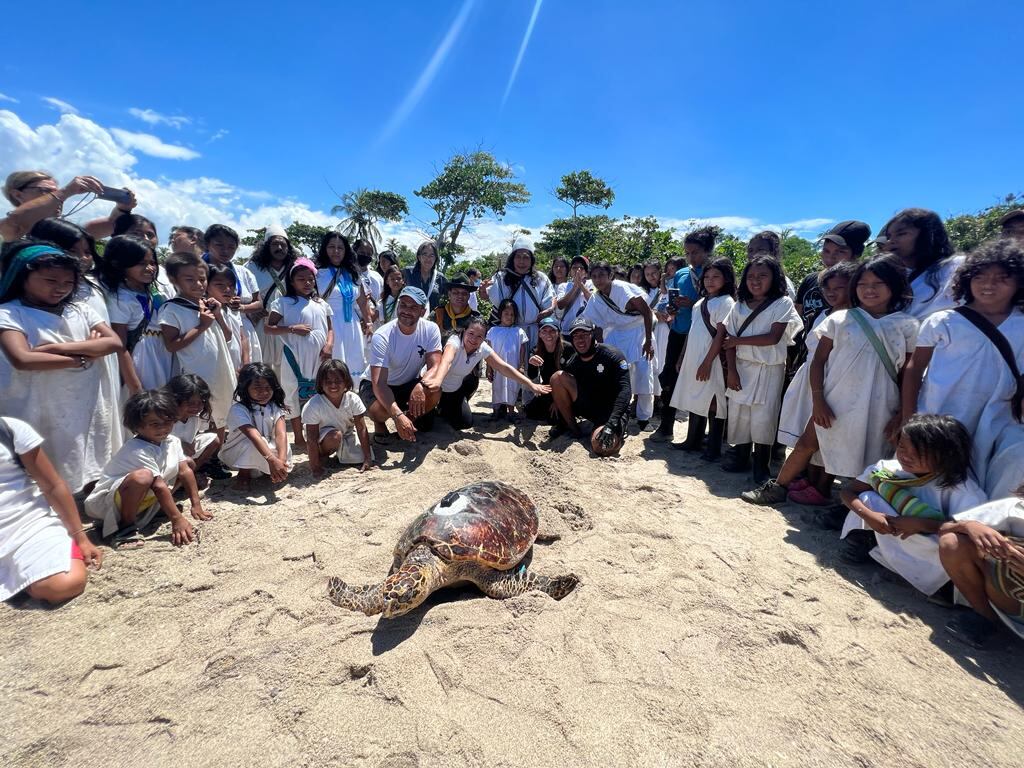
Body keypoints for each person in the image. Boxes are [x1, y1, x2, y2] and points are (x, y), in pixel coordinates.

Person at [745, 258, 917, 505]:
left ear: (895, 286)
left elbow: (907, 374)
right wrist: (818, 401)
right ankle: (777, 487)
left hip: (879, 405)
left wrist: (902, 413)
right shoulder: (840, 320)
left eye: (878, 283)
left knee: (871, 454)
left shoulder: (907, 326)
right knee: (806, 444)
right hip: (834, 401)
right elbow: (818, 362)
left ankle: (854, 507)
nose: (869, 289)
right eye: (863, 283)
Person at [901, 237, 1024, 500]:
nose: (988, 284)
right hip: (937, 416)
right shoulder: (943, 321)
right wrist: (908, 417)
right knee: (925, 481)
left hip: (996, 421)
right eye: (980, 276)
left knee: (982, 483)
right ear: (967, 278)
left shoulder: (1022, 325)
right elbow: (914, 369)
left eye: (1002, 277)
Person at [0, 241, 122, 494]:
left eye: (68, 283)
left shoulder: (81, 310)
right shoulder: (9, 313)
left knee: (81, 451)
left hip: (82, 399)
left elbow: (113, 342)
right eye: (50, 281)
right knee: (41, 458)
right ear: (23, 276)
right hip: (36, 401)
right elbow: (23, 359)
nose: (60, 289)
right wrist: (84, 355)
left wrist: (58, 349)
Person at [837, 414, 986, 590]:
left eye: (918, 453)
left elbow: (969, 531)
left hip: (927, 543)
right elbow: (849, 491)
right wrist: (869, 516)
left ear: (946, 455)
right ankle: (862, 541)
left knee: (952, 544)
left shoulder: (962, 489)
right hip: (888, 530)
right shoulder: (888, 470)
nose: (906, 456)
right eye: (902, 448)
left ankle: (940, 586)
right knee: (867, 498)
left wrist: (923, 524)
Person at [765, 261, 858, 506]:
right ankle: (810, 479)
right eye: (828, 288)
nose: (832, 293)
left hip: (834, 383)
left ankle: (821, 486)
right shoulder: (823, 315)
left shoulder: (853, 319)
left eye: (840, 288)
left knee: (825, 435)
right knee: (811, 432)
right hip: (812, 379)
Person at [28, 218, 124, 454]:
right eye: (73, 251)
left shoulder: (91, 285)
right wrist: (83, 350)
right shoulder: (43, 297)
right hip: (60, 374)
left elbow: (111, 340)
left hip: (99, 365)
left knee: (100, 427)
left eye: (87, 251)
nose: (83, 257)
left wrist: (88, 350)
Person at [85, 389, 208, 546]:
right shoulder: (136, 449)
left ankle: (154, 510)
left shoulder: (172, 441)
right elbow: (158, 486)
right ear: (137, 425)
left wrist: (196, 505)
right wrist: (177, 519)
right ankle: (125, 528)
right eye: (155, 424)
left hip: (143, 498)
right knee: (143, 477)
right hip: (109, 505)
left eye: (168, 422)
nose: (162, 428)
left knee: (188, 463)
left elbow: (185, 470)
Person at [0, 415, 102, 604]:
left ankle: (27, 576)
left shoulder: (9, 429)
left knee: (67, 582)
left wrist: (80, 537)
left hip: (26, 524)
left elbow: (52, 485)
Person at [722, 257, 802, 481]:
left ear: (774, 278)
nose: (755, 281)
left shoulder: (782, 304)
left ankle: (761, 465)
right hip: (741, 366)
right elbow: (728, 340)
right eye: (751, 277)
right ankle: (741, 456)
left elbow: (773, 338)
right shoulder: (738, 306)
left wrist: (738, 342)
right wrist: (731, 371)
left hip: (769, 369)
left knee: (764, 416)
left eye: (762, 276)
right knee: (740, 413)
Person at [666, 258, 737, 459]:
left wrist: (707, 362)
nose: (710, 280)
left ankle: (713, 448)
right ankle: (692, 440)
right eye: (707, 276)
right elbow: (691, 331)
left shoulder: (726, 302)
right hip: (694, 356)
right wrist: (682, 357)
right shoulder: (700, 303)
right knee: (695, 397)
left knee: (714, 402)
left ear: (726, 279)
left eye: (716, 276)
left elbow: (721, 335)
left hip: (712, 359)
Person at [157, 252, 238, 431]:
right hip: (196, 374)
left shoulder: (209, 306)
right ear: (174, 280)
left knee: (221, 410)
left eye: (202, 279)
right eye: (190, 279)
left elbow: (227, 336)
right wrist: (202, 326)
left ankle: (217, 453)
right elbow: (171, 345)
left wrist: (217, 316)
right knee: (200, 415)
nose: (198, 284)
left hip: (220, 369)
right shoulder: (172, 309)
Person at [422, 317, 550, 429]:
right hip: (433, 386)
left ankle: (444, 408)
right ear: (464, 331)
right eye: (471, 333)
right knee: (425, 425)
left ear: (484, 338)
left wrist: (530, 384)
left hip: (453, 391)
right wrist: (437, 382)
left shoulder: (482, 347)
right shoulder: (454, 341)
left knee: (464, 423)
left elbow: (503, 367)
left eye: (479, 336)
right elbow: (446, 362)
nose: (474, 339)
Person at [938, 485, 1024, 648]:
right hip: (1008, 599)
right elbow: (944, 530)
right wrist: (969, 526)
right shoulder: (1014, 508)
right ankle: (985, 617)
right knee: (952, 543)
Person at [653, 227, 716, 440]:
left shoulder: (714, 273)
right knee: (669, 377)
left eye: (696, 252)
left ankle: (696, 435)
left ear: (708, 251)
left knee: (699, 382)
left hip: (702, 337)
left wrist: (694, 303)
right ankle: (666, 425)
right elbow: (669, 304)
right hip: (679, 332)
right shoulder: (680, 274)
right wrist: (671, 309)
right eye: (687, 253)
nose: (691, 257)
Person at [266, 258, 334, 450]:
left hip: (320, 356)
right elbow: (269, 328)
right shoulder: (283, 302)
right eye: (301, 279)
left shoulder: (321, 303)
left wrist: (329, 345)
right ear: (292, 282)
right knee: (291, 392)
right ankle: (297, 435)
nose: (307, 283)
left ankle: (319, 429)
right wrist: (292, 328)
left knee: (321, 390)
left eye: (310, 279)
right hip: (293, 357)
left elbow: (330, 328)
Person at [361, 287, 443, 443]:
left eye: (413, 307)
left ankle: (408, 420)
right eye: (403, 305)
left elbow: (435, 366)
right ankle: (382, 422)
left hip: (408, 383)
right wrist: (397, 415)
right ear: (398, 306)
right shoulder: (382, 336)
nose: (407, 310)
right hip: (376, 384)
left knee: (435, 390)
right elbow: (379, 384)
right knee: (382, 412)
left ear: (422, 311)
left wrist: (422, 385)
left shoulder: (431, 329)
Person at [579, 261, 656, 427]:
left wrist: (649, 341)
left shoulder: (621, 288)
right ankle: (616, 411)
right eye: (594, 276)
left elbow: (647, 312)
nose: (598, 280)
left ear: (610, 275)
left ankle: (643, 418)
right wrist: (599, 349)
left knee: (643, 372)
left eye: (601, 275)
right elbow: (595, 325)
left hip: (640, 330)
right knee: (614, 374)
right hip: (617, 334)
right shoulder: (596, 298)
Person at [550, 317, 632, 457]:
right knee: (557, 377)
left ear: (593, 334)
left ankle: (614, 432)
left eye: (584, 335)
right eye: (576, 336)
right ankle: (573, 429)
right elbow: (565, 386)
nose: (580, 340)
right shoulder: (574, 360)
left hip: (610, 412)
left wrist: (612, 424)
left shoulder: (612, 356)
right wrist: (556, 401)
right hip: (589, 406)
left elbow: (625, 391)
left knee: (601, 446)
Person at [793, 221, 870, 364]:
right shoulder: (810, 281)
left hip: (844, 367)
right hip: (808, 361)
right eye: (826, 251)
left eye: (840, 252)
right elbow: (798, 322)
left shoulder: (863, 289)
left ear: (856, 254)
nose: (830, 258)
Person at [101, 235, 166, 395]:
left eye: (152, 263)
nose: (150, 268)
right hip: (139, 361)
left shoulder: (148, 292)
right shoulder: (121, 298)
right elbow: (120, 345)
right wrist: (135, 386)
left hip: (158, 357)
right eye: (142, 263)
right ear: (121, 265)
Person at [1, 170, 135, 243]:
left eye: (56, 191)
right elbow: (14, 224)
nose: (58, 198)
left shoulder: (64, 233)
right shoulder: (7, 230)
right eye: (46, 192)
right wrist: (66, 191)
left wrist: (123, 208)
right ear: (18, 195)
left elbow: (113, 224)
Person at [219, 363, 293, 490]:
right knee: (255, 441)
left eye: (267, 387)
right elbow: (253, 435)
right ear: (245, 388)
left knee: (281, 447)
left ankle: (273, 470)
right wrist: (271, 460)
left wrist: (281, 460)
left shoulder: (275, 407)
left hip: (267, 450)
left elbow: (281, 434)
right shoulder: (238, 410)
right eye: (257, 388)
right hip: (239, 452)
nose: (263, 392)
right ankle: (243, 476)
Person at [885, 208, 962, 319]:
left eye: (901, 234)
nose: (891, 241)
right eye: (889, 236)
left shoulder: (957, 267)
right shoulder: (891, 278)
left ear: (928, 234)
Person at [301, 359, 373, 474]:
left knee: (359, 457)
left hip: (346, 433)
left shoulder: (353, 399)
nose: (333, 385)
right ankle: (323, 455)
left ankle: (344, 452)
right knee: (334, 437)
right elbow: (311, 438)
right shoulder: (313, 405)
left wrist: (367, 458)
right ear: (320, 383)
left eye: (338, 381)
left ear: (346, 382)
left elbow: (361, 428)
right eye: (328, 381)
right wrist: (315, 467)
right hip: (323, 438)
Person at [315, 232, 369, 383]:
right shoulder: (317, 273)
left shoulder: (353, 273)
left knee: (354, 362)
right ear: (324, 249)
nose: (336, 251)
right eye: (331, 247)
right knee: (333, 364)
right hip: (329, 324)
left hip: (352, 324)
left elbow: (362, 300)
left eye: (340, 248)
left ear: (346, 251)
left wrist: (368, 322)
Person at [204, 223, 262, 364]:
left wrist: (241, 307)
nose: (225, 251)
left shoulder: (244, 272)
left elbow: (259, 303)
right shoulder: (197, 270)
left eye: (231, 247)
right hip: (209, 326)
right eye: (219, 245)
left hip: (242, 329)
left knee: (246, 373)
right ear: (207, 244)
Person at [247, 224, 297, 378]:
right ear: (266, 246)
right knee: (262, 364)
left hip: (286, 323)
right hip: (261, 322)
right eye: (275, 244)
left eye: (283, 244)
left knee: (287, 365)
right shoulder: (251, 267)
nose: (280, 248)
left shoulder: (294, 267)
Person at [486, 238, 555, 350]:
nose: (521, 261)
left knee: (534, 364)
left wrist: (550, 309)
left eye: (526, 257)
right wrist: (483, 292)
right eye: (518, 257)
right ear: (512, 259)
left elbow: (549, 301)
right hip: (509, 332)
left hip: (535, 332)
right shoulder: (501, 277)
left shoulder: (541, 278)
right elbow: (491, 298)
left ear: (532, 260)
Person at [166, 373, 227, 482]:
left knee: (214, 440)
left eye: (201, 402)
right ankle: (177, 483)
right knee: (187, 461)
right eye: (190, 403)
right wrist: (179, 445)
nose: (197, 407)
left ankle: (190, 474)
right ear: (175, 400)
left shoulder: (196, 417)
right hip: (165, 454)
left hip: (185, 453)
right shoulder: (165, 418)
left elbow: (193, 434)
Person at [112, 214, 176, 300]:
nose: (145, 238)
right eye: (136, 233)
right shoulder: (105, 275)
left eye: (150, 235)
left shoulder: (163, 274)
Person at [486, 300, 530, 420]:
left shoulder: (518, 332)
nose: (509, 317)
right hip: (496, 367)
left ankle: (511, 412)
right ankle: (496, 411)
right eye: (506, 313)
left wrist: (520, 366)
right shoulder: (492, 331)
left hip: (513, 366)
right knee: (497, 387)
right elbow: (488, 351)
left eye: (512, 314)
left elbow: (522, 350)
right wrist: (489, 368)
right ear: (500, 314)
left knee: (512, 388)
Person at [524, 317, 572, 422]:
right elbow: (533, 376)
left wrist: (557, 401)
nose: (548, 335)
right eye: (544, 331)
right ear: (540, 334)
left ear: (558, 333)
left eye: (552, 331)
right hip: (548, 389)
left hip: (566, 390)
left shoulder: (568, 349)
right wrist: (531, 364)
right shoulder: (536, 350)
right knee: (530, 411)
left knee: (556, 417)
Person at [206, 263, 251, 373]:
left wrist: (245, 364)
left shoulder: (233, 310)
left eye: (231, 285)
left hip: (238, 367)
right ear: (206, 285)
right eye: (220, 285)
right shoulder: (206, 311)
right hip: (219, 368)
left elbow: (242, 337)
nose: (227, 289)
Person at [434, 273, 481, 342]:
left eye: (464, 293)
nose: (460, 296)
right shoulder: (437, 314)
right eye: (455, 292)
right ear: (449, 294)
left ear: (469, 296)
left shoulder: (475, 319)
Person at [403, 241, 446, 311]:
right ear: (419, 257)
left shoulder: (441, 278)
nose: (428, 258)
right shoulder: (407, 273)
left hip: (431, 319)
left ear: (435, 259)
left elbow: (449, 297)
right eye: (425, 254)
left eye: (431, 255)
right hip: (409, 317)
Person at [555, 255, 592, 337]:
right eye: (574, 267)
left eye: (581, 268)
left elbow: (593, 301)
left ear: (586, 272)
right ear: (570, 271)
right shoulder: (563, 286)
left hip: (587, 331)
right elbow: (560, 305)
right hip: (567, 332)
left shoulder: (591, 284)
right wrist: (575, 287)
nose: (577, 270)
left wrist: (581, 285)